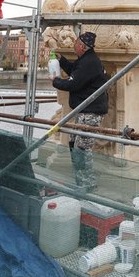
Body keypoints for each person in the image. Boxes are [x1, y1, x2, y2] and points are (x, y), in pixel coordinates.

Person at [51, 31, 108, 190]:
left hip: (91, 113)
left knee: (82, 149)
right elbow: (74, 71)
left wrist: (56, 81)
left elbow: (73, 83)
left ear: (82, 46)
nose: (74, 45)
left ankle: (88, 185)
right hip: (84, 111)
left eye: (76, 43)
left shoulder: (89, 62)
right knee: (73, 144)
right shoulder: (85, 60)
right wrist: (61, 60)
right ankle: (80, 181)